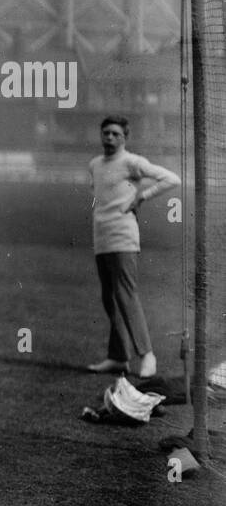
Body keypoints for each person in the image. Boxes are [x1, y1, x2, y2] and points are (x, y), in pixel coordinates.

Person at [87, 115, 181, 378]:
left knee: (126, 295)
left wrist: (142, 196)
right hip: (101, 237)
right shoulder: (95, 164)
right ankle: (118, 357)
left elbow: (171, 178)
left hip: (124, 236)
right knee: (109, 297)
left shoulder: (132, 162)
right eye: (106, 133)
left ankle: (147, 354)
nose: (109, 138)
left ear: (125, 137)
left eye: (115, 134)